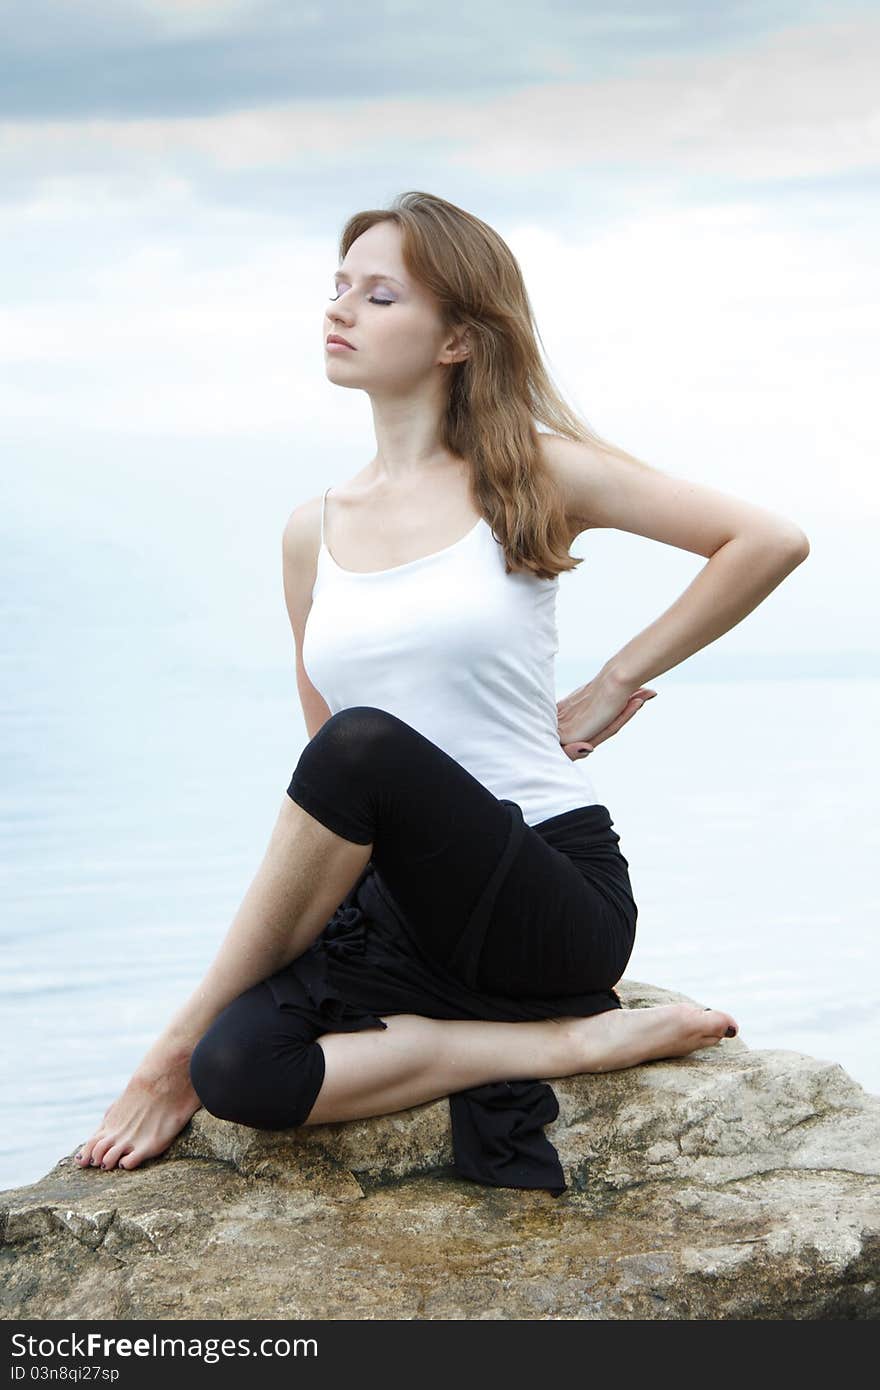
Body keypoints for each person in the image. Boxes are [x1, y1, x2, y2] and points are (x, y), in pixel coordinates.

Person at [74, 190, 809, 1176]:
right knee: (241, 1068)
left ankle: (163, 1053)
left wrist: (611, 682)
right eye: (338, 288)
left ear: (458, 336)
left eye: (378, 296)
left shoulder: (531, 476)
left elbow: (764, 540)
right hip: (400, 911)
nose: (338, 310)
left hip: (547, 894)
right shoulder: (311, 531)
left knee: (362, 744)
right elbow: (322, 776)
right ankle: (565, 1045)